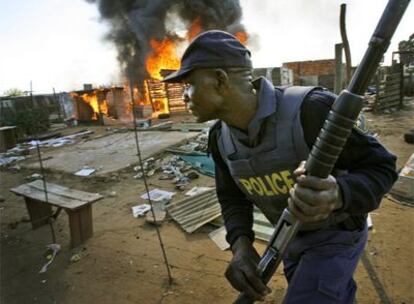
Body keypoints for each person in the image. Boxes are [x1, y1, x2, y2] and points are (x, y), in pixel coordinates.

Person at [163, 30, 398, 303]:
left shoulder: (311, 110)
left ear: (219, 80)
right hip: (288, 239)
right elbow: (232, 196)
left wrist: (339, 194)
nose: (184, 96)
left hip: (337, 232)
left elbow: (382, 167)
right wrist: (240, 245)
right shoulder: (220, 138)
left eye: (189, 84)